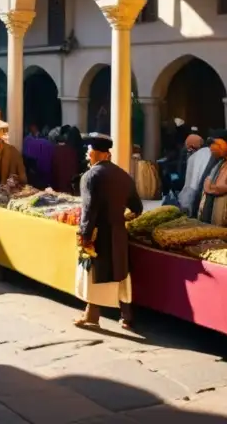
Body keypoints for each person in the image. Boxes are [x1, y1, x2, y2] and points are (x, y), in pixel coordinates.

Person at [74, 133, 142, 330]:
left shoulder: (90, 176)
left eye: (89, 151)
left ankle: (92, 315)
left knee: (94, 274)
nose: (87, 154)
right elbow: (137, 208)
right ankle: (126, 316)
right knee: (120, 273)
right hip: (118, 233)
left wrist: (85, 236)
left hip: (98, 233)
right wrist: (120, 218)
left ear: (97, 153)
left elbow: (89, 210)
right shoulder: (124, 176)